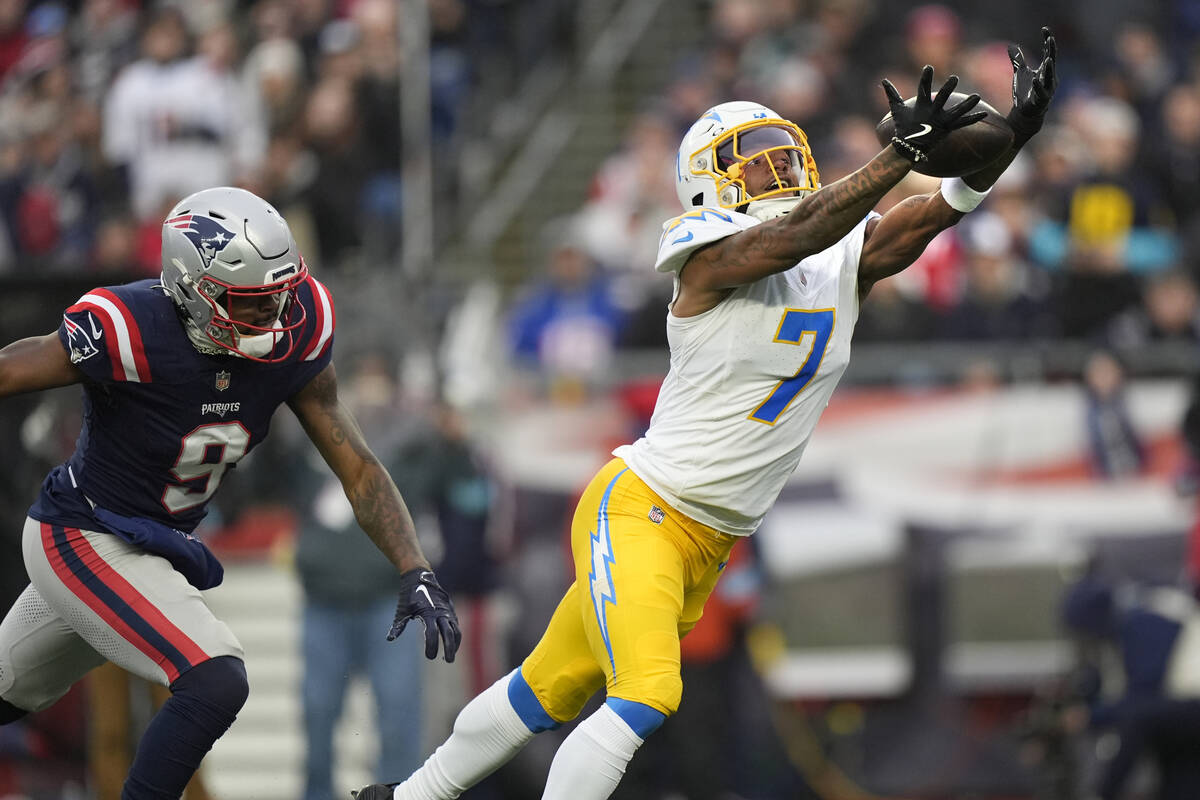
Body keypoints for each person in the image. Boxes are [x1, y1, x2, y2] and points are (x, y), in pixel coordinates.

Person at [356, 27, 1059, 800]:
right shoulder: (706, 256)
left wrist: (1010, 140)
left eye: (783, 156)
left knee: (545, 689)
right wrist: (897, 159)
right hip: (645, 511)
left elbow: (926, 219)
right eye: (756, 163)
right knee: (647, 693)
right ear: (706, 184)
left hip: (709, 539)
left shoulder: (835, 257)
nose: (779, 170)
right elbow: (790, 235)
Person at [0, 185, 461, 799]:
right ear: (193, 290)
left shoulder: (298, 328)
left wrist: (415, 567)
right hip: (83, 534)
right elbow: (14, 366)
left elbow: (357, 465)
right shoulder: (128, 325)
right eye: (253, 304)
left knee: (6, 693)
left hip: (152, 550)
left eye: (280, 296)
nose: (275, 318)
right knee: (215, 677)